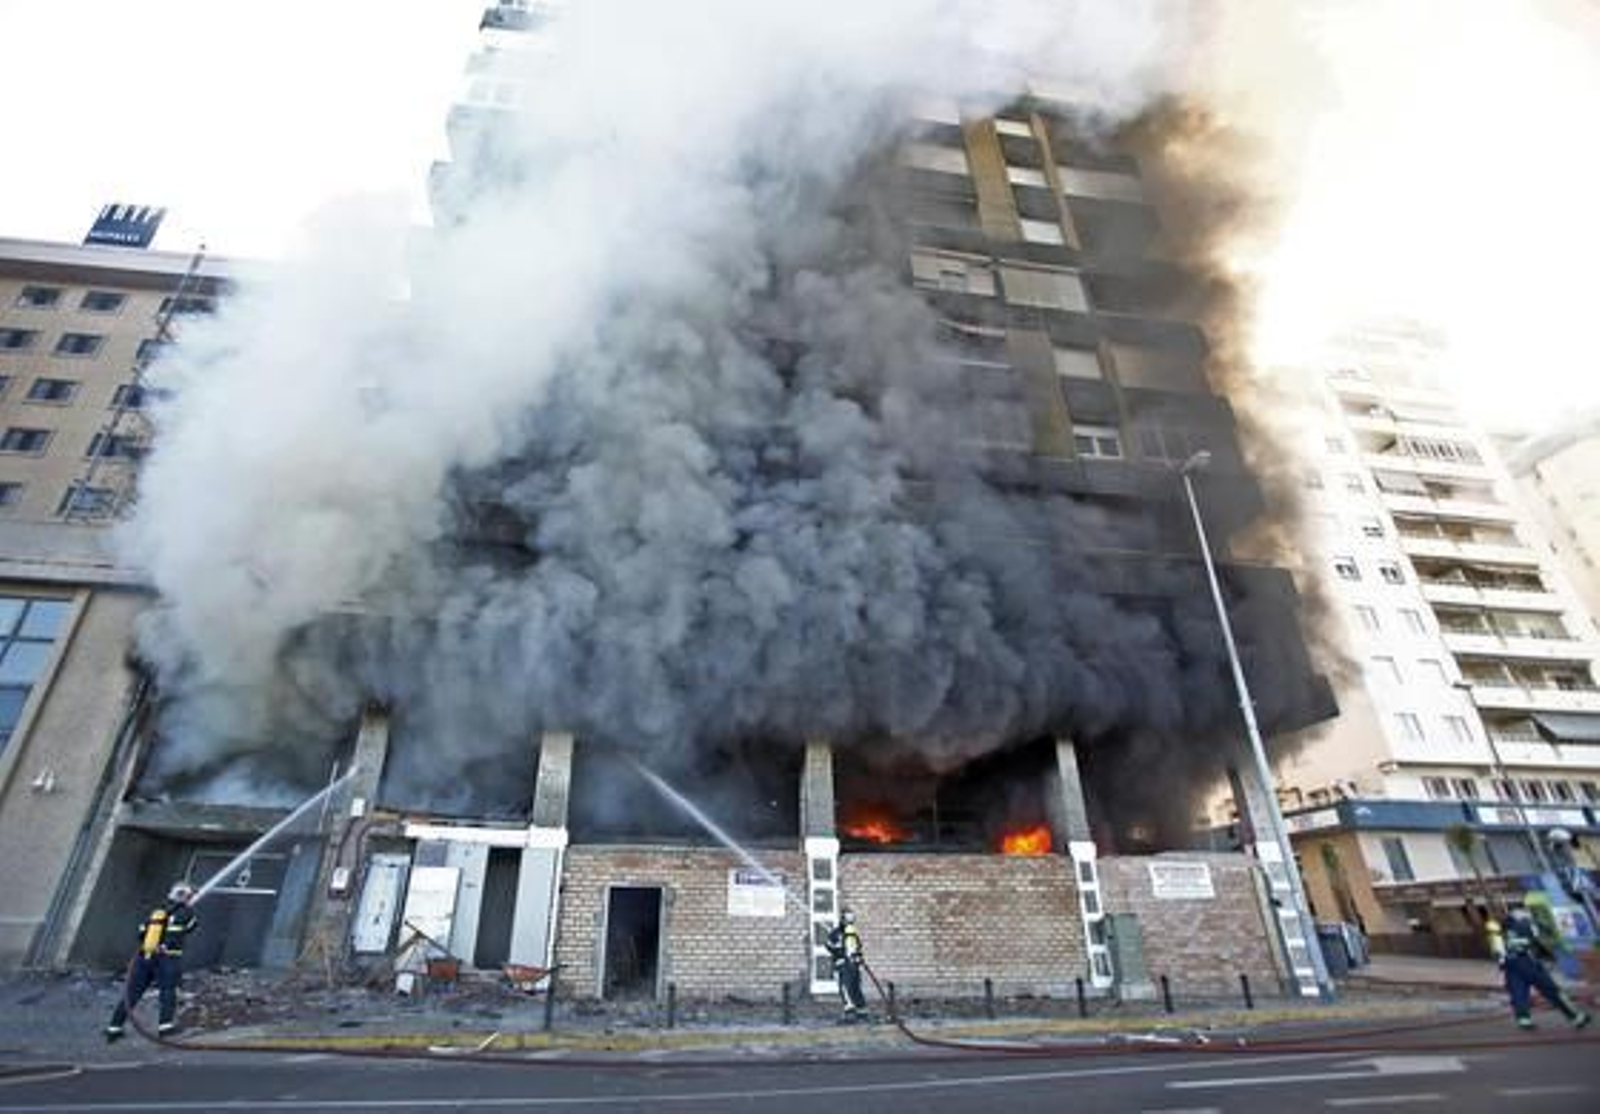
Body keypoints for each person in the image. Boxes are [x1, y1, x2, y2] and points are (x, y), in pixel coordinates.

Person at [105, 880, 199, 1041]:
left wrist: (150, 946)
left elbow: (141, 932)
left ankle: (114, 1027)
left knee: (132, 993)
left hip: (144, 957)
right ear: (187, 896)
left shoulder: (158, 911)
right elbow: (190, 928)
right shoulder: (186, 912)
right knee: (168, 991)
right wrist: (164, 945)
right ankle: (165, 1027)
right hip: (168, 957)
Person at [1487, 905, 1591, 1032]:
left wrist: (1502, 964)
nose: (1526, 914)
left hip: (1511, 965)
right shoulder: (1526, 924)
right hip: (1528, 962)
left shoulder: (1501, 929)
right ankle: (1577, 1017)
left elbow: (1497, 951)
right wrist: (1550, 955)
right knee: (1552, 990)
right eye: (1524, 911)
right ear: (1517, 913)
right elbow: (1537, 941)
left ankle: (1524, 1020)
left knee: (1518, 993)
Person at [825, 908, 867, 1021]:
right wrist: (839, 950)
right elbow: (829, 945)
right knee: (845, 988)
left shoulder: (853, 933)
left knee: (856, 987)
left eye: (851, 918)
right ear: (842, 919)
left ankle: (862, 1011)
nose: (850, 921)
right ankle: (850, 1012)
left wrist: (858, 956)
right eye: (848, 918)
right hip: (842, 965)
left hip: (854, 966)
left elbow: (858, 947)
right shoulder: (835, 933)